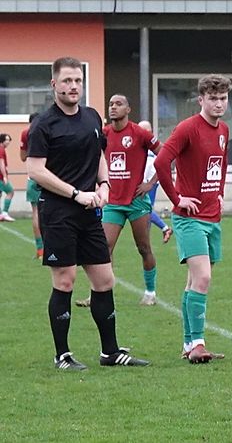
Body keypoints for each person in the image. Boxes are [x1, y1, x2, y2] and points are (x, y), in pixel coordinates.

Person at [26, 56, 150, 370]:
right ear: (54, 84)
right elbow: (35, 170)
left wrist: (104, 184)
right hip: (58, 212)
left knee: (105, 279)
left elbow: (99, 155)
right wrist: (75, 193)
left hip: (89, 211)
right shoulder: (44, 124)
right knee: (65, 280)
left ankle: (110, 352)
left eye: (78, 80)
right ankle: (62, 355)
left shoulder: (92, 117)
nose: (73, 86)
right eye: (67, 81)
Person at [155, 74, 232, 364]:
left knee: (193, 282)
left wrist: (220, 193)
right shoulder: (187, 128)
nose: (219, 104)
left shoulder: (223, 129)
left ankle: (189, 344)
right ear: (200, 99)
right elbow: (161, 161)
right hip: (189, 218)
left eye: (223, 98)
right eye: (213, 98)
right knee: (203, 278)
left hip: (212, 216)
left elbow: (221, 163)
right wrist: (177, 199)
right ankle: (198, 343)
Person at [75, 95, 163, 308]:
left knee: (143, 247)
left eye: (118, 104)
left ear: (128, 109)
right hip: (113, 202)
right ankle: (99, 293)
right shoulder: (104, 134)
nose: (113, 107)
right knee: (103, 247)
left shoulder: (140, 133)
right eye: (111, 104)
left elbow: (165, 155)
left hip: (136, 201)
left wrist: (151, 183)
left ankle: (150, 292)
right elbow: (92, 159)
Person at [137, 120, 173, 242]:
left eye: (144, 131)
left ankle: (164, 228)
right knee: (146, 209)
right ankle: (149, 236)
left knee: (145, 209)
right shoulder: (141, 146)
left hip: (149, 183)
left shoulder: (152, 146)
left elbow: (163, 162)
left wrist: (148, 182)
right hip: (148, 182)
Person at [19, 114, 44, 258]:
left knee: (36, 212)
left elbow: (23, 157)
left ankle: (40, 249)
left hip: (33, 177)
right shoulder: (49, 130)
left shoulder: (26, 133)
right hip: (49, 177)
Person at [0, 133, 15, 221]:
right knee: (10, 192)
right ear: (2, 141)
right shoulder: (1, 150)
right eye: (7, 140)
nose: (9, 142)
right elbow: (1, 163)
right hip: (0, 177)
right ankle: (5, 213)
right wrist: (5, 176)